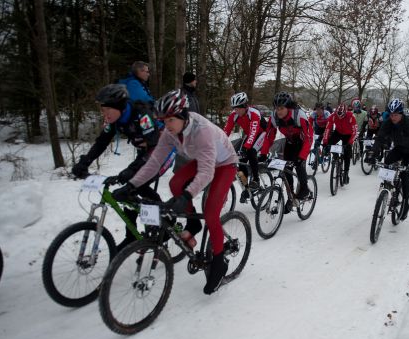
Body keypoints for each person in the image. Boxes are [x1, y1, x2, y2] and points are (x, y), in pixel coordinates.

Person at [113, 89, 238, 295]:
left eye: (170, 120)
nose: (166, 125)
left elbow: (207, 173)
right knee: (175, 183)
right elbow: (154, 163)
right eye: (163, 120)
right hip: (204, 159)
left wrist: (187, 196)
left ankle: (218, 262)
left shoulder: (202, 131)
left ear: (182, 116)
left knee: (211, 213)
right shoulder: (169, 132)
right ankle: (193, 223)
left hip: (225, 164)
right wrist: (131, 186)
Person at [71, 84, 161, 251]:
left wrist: (132, 170)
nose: (103, 114)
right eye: (102, 110)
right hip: (145, 152)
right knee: (129, 190)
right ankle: (132, 236)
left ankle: (161, 223)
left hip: (161, 150)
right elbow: (101, 142)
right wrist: (84, 162)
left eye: (106, 110)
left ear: (119, 106)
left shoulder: (142, 115)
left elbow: (153, 148)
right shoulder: (114, 119)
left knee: (138, 184)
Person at [366, 98, 409, 220]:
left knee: (405, 176)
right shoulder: (388, 122)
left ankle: (405, 202)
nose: (393, 117)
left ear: (401, 114)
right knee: (386, 164)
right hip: (399, 148)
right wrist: (372, 153)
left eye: (395, 115)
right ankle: (387, 188)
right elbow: (380, 138)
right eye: (391, 114)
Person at [260, 91, 313, 212]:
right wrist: (263, 153)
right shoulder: (274, 117)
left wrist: (302, 156)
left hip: (302, 142)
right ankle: (291, 197)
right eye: (276, 108)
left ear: (288, 107)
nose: (278, 111)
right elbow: (268, 136)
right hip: (289, 142)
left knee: (299, 165)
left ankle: (304, 189)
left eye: (281, 108)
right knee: (286, 170)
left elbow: (309, 138)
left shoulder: (299, 116)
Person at [223, 92, 266, 203]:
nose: (236, 111)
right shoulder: (234, 115)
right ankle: (247, 188)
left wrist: (246, 148)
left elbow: (253, 132)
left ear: (245, 106)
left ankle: (256, 180)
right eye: (234, 108)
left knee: (251, 151)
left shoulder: (254, 113)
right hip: (250, 134)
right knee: (241, 160)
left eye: (238, 108)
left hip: (262, 134)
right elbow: (225, 131)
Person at [323, 102, 357, 184]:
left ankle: (346, 173)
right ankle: (336, 158)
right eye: (338, 116)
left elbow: (355, 132)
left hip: (348, 134)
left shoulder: (351, 116)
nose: (340, 118)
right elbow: (327, 129)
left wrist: (350, 142)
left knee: (347, 154)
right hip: (338, 132)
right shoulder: (333, 116)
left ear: (345, 112)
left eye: (341, 116)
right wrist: (325, 141)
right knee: (330, 143)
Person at [308, 102, 331, 169]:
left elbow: (329, 124)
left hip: (326, 128)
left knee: (325, 142)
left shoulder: (326, 113)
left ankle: (326, 154)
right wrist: (310, 131)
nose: (318, 111)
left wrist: (326, 132)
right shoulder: (313, 114)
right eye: (317, 109)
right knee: (316, 144)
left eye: (320, 109)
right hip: (318, 129)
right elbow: (309, 123)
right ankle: (316, 160)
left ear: (323, 109)